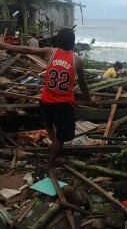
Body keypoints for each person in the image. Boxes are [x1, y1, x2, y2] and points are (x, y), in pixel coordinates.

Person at [0, 27, 96, 167]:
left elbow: (27, 50)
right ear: (73, 43)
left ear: (58, 40)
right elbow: (82, 83)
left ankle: (53, 143)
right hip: (64, 103)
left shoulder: (50, 52)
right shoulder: (77, 60)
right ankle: (52, 161)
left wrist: (5, 46)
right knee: (64, 135)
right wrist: (89, 99)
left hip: (46, 100)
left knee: (48, 123)